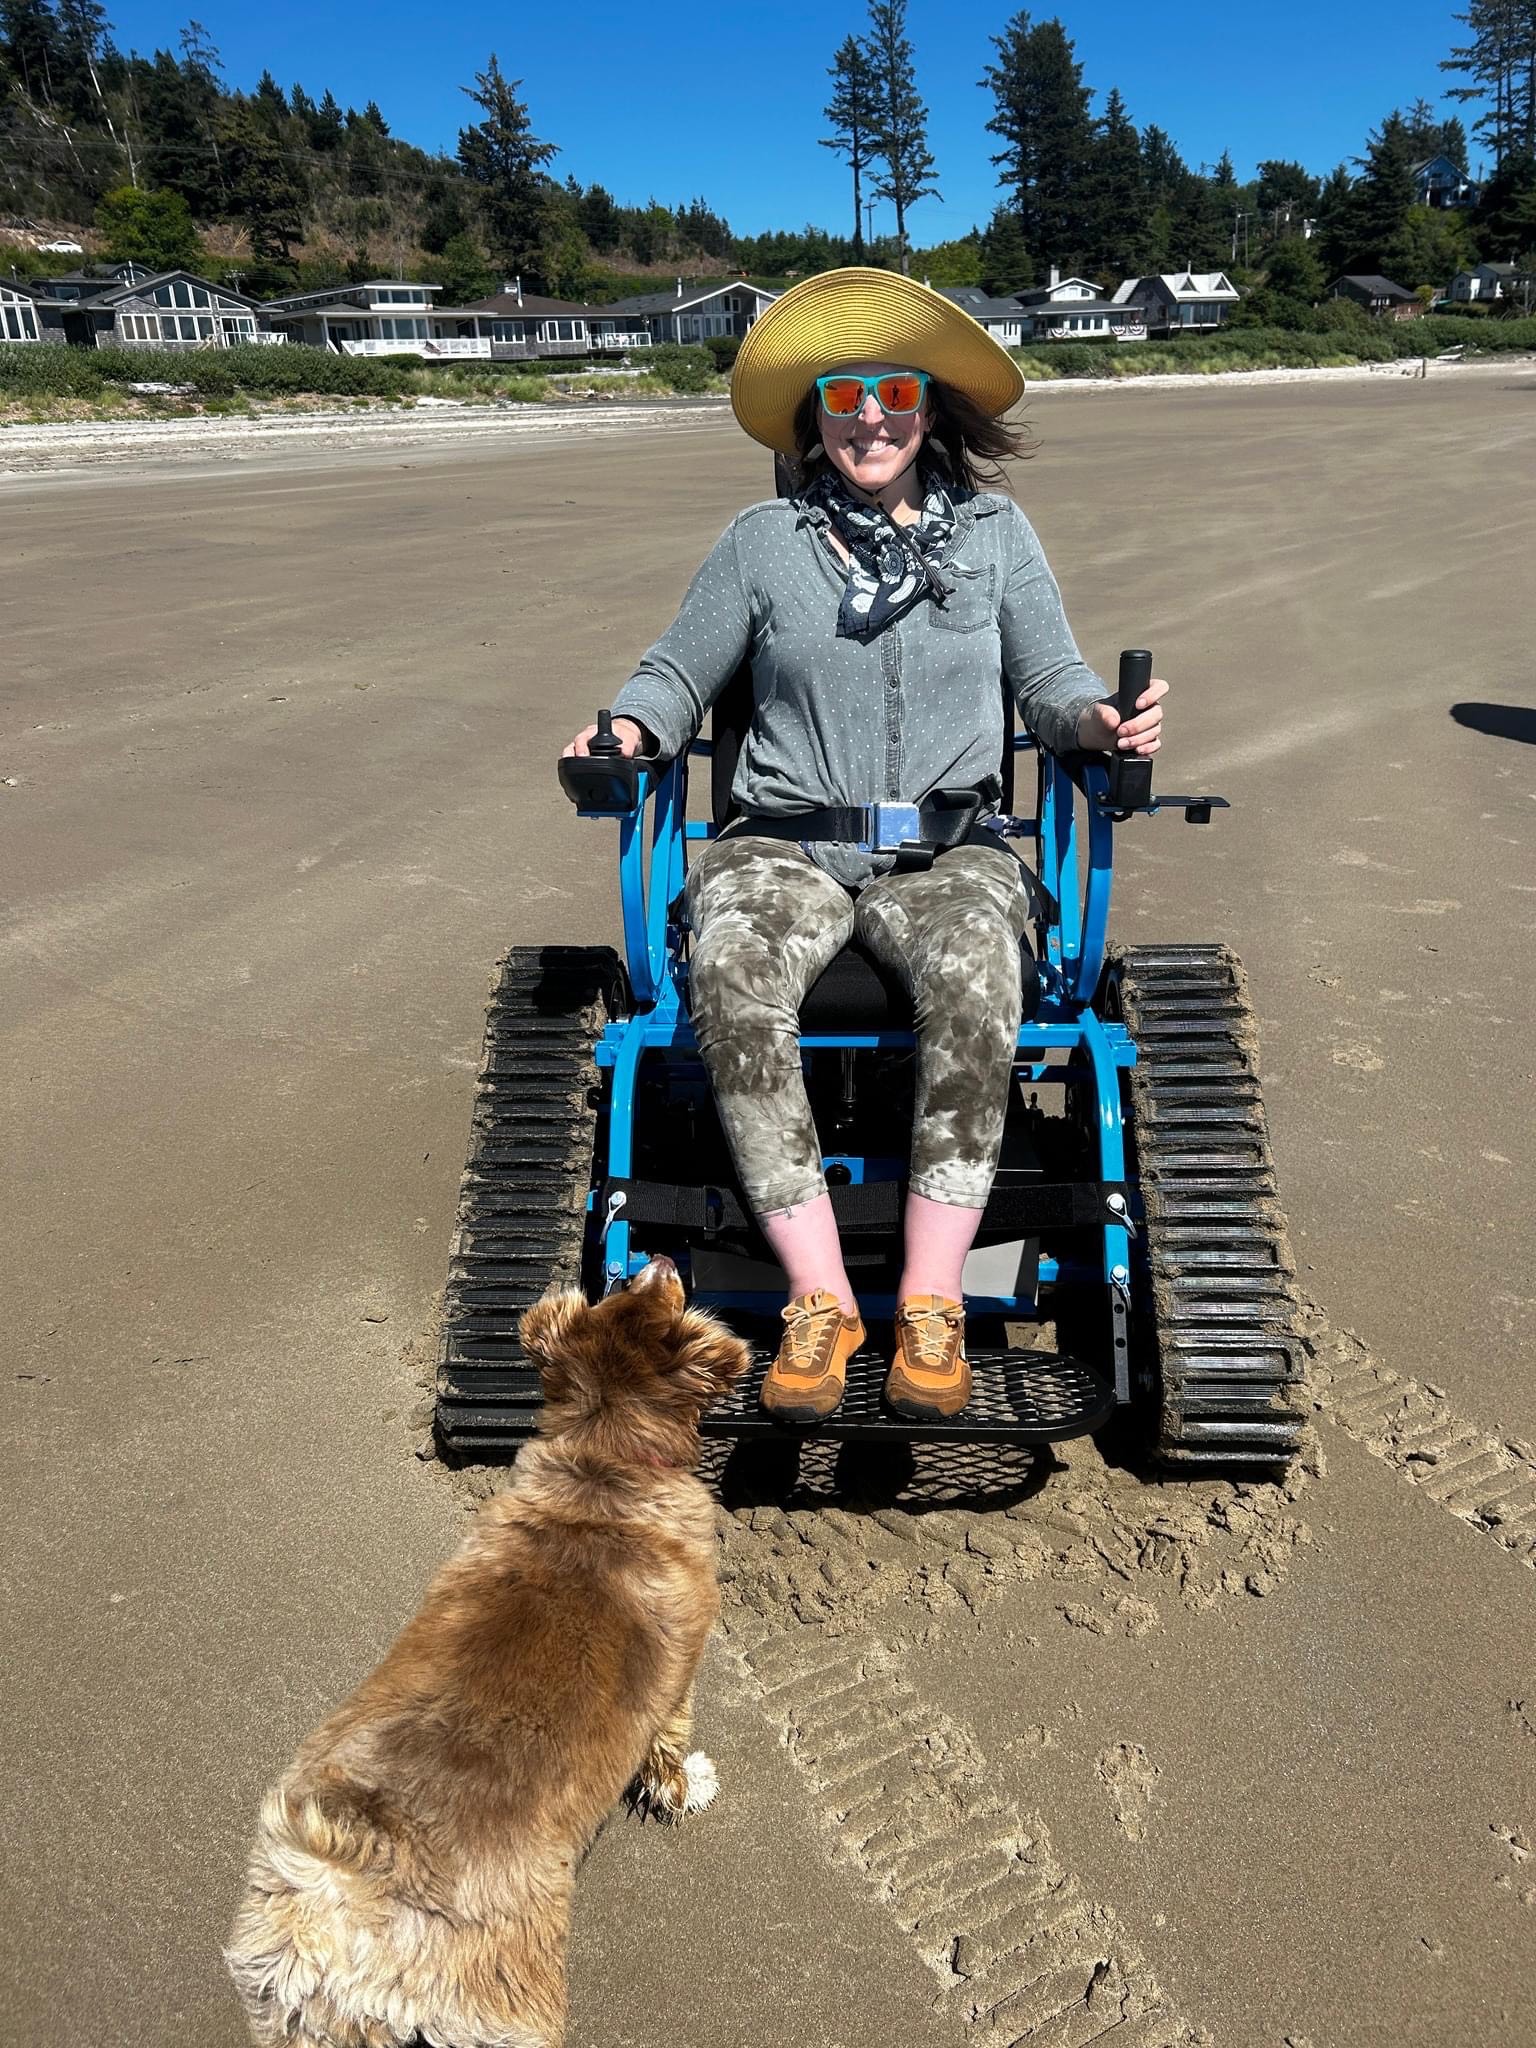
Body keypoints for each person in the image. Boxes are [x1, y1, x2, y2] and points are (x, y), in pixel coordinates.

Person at [563, 268, 1166, 1425]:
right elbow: (677, 673)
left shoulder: (994, 537)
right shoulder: (762, 543)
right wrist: (625, 729)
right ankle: (824, 1302)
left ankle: (931, 1304)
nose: (870, 418)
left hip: (950, 852)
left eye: (894, 392)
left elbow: (1051, 680)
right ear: (816, 416)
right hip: (782, 846)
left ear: (931, 406)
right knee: (730, 966)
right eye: (844, 396)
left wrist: (1101, 722)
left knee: (981, 972)